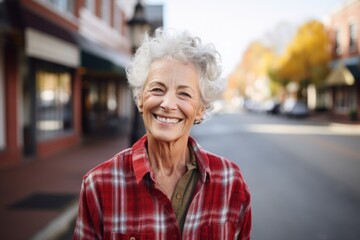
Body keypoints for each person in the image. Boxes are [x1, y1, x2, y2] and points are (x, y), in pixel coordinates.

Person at [73, 28, 251, 240]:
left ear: (200, 109)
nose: (167, 104)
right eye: (157, 89)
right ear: (140, 99)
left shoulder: (231, 182)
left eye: (184, 94)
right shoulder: (99, 185)